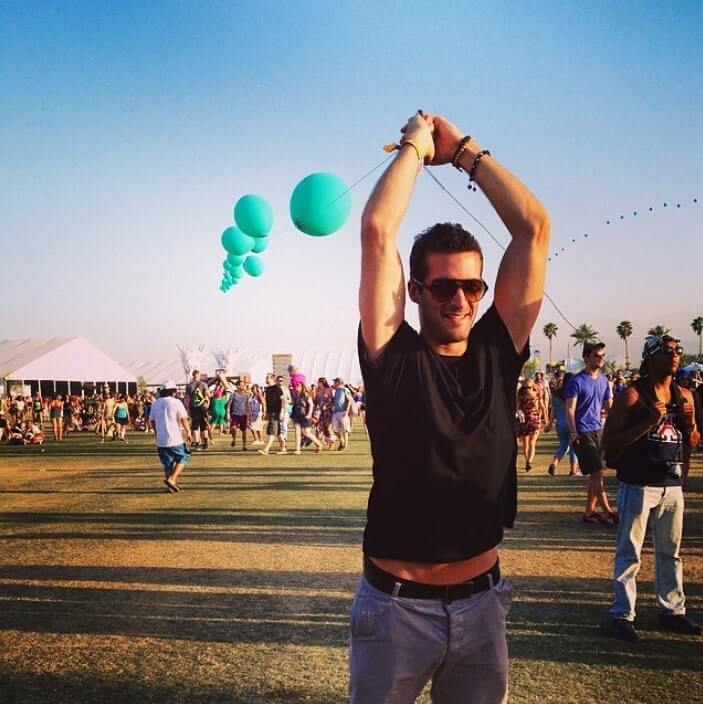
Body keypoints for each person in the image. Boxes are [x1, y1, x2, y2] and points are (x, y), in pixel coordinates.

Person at [351, 110, 549, 703]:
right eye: (443, 286)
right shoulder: (393, 355)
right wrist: (415, 148)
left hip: (483, 602)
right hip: (396, 609)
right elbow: (378, 230)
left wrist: (463, 150)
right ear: (415, 290)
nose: (460, 299)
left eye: (472, 286)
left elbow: (534, 228)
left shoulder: (497, 351)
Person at [603, 335, 701, 641]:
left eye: (677, 350)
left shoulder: (685, 396)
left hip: (672, 485)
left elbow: (692, 440)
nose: (675, 355)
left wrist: (690, 427)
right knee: (629, 552)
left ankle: (673, 610)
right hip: (638, 483)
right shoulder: (633, 395)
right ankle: (623, 614)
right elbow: (609, 444)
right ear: (649, 358)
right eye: (666, 350)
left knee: (671, 553)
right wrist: (648, 421)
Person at [565, 342, 617, 525]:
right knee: (597, 472)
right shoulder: (577, 381)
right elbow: (570, 409)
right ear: (586, 358)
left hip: (598, 429)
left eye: (602, 355)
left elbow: (609, 407)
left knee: (597, 474)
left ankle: (589, 512)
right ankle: (609, 512)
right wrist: (573, 432)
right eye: (596, 355)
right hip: (582, 431)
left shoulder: (604, 381)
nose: (601, 358)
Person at [149, 380, 192, 493]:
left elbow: (152, 420)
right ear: (173, 391)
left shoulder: (155, 403)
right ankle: (172, 479)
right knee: (185, 456)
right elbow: (183, 418)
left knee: (167, 463)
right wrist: (189, 432)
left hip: (161, 439)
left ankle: (169, 487)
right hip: (175, 437)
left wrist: (156, 432)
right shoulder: (176, 402)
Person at [546, 372, 579, 476]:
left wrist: (550, 423)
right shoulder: (574, 393)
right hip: (572, 423)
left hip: (560, 424)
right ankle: (573, 470)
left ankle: (554, 463)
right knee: (574, 447)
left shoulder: (556, 394)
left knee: (563, 446)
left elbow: (553, 410)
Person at [516, 377, 547, 471]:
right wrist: (519, 412)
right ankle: (528, 460)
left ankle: (529, 461)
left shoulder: (536, 394)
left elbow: (542, 406)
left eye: (528, 387)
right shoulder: (522, 395)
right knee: (526, 444)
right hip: (526, 420)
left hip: (533, 420)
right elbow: (517, 407)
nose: (527, 389)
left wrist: (545, 418)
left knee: (531, 443)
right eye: (525, 387)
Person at [291, 380, 323, 454]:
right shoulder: (296, 395)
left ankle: (319, 444)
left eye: (298, 385)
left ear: (302, 387)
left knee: (306, 433)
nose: (297, 386)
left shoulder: (305, 395)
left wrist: (309, 414)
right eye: (296, 385)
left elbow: (311, 405)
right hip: (296, 416)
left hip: (305, 416)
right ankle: (297, 449)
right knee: (297, 432)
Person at [259, 373, 287, 455]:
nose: (266, 379)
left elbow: (283, 400)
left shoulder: (277, 388)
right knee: (277, 432)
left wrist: (282, 411)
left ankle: (266, 449)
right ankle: (283, 448)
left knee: (272, 431)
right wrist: (266, 412)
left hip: (276, 412)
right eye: (266, 377)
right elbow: (266, 402)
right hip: (271, 412)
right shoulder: (267, 389)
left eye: (268, 378)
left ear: (272, 379)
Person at [186, 370, 210, 450]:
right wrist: (206, 403)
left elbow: (187, 398)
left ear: (193, 376)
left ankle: (197, 443)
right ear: (199, 376)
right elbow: (207, 395)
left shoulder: (189, 385)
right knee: (204, 426)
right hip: (202, 407)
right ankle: (205, 444)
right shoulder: (204, 384)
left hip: (193, 407)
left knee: (195, 426)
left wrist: (187, 409)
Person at [228, 379, 251, 451]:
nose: (243, 386)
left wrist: (249, 415)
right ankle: (234, 439)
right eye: (241, 385)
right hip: (235, 414)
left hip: (244, 414)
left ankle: (244, 446)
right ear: (237, 386)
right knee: (233, 428)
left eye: (243, 385)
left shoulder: (247, 395)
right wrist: (227, 414)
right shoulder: (233, 394)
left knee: (244, 431)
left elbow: (248, 405)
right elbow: (229, 405)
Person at [331, 377, 353, 450]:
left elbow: (350, 400)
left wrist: (347, 412)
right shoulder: (336, 391)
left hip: (343, 412)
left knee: (345, 430)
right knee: (335, 430)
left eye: (335, 382)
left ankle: (345, 444)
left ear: (338, 382)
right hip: (336, 412)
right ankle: (342, 440)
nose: (334, 383)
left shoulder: (345, 390)